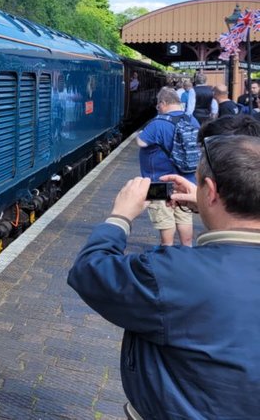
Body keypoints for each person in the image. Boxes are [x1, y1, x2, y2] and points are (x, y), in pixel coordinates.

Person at [68, 132, 260, 420]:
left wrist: (120, 217)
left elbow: (89, 271)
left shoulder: (172, 273)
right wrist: (207, 206)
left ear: (210, 190)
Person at [136, 87, 199, 246]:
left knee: (164, 216)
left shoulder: (157, 123)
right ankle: (187, 247)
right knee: (184, 215)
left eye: (158, 105)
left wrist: (139, 133)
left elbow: (141, 142)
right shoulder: (192, 120)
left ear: (163, 103)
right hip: (186, 180)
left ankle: (167, 249)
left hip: (159, 180)